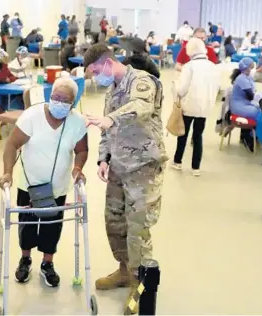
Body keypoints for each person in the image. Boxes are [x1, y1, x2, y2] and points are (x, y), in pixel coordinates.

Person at [83, 43, 167, 314]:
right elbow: (106, 131)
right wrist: (103, 159)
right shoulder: (112, 91)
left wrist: (112, 119)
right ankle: (124, 271)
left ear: (108, 63)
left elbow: (140, 107)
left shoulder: (142, 81)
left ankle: (140, 283)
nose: (96, 78)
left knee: (138, 228)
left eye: (96, 71)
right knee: (115, 223)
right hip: (119, 167)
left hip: (143, 167)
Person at [0, 77, 88, 287]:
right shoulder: (32, 116)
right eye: (56, 97)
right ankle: (25, 259)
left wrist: (77, 168)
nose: (59, 102)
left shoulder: (76, 122)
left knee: (52, 227)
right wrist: (7, 173)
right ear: (50, 96)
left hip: (57, 187)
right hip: (29, 184)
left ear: (73, 103)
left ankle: (47, 264)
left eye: (65, 100)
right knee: (26, 225)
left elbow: (82, 150)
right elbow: (11, 146)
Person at [171, 38, 220, 176]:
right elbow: (217, 86)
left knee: (183, 134)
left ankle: (178, 162)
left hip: (189, 105)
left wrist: (175, 85)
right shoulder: (213, 66)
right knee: (198, 136)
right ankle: (196, 167)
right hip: (205, 107)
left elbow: (181, 89)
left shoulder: (189, 66)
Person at [230, 57, 262, 152]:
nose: (253, 69)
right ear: (247, 68)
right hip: (239, 105)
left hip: (245, 103)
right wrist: (257, 98)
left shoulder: (247, 77)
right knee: (258, 112)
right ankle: (248, 137)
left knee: (258, 109)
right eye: (252, 67)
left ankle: (252, 135)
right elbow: (250, 95)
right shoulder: (242, 79)